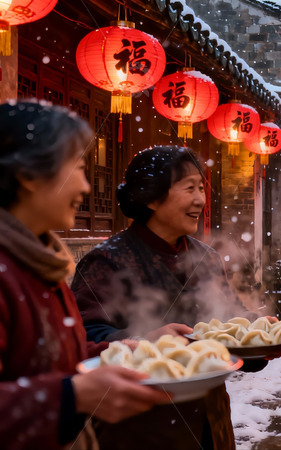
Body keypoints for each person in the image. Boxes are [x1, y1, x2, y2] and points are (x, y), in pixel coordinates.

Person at [0, 100, 170, 449]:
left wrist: (130, 348)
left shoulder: (40, 261)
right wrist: (69, 397)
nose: (86, 187)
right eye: (76, 167)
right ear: (27, 175)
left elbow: (58, 357)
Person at [72, 146, 250, 450]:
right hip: (139, 426)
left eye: (202, 188)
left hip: (210, 420)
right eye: (189, 188)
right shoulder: (108, 261)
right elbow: (84, 339)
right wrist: (143, 339)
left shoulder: (205, 257)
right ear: (152, 198)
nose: (201, 199)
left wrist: (257, 335)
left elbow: (228, 321)